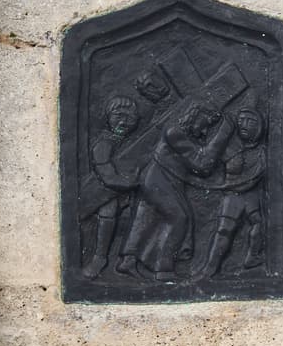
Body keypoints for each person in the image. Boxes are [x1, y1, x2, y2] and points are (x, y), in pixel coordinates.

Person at [118, 100, 233, 281]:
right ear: (197, 114)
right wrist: (224, 133)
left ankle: (128, 261)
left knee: (145, 217)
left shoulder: (187, 135)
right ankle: (164, 270)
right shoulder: (175, 133)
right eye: (207, 123)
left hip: (168, 182)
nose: (205, 130)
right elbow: (202, 164)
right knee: (179, 218)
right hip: (159, 181)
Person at [82, 93, 141, 276]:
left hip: (133, 193)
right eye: (118, 116)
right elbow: (108, 177)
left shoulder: (136, 142)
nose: (124, 122)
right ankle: (100, 257)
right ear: (108, 118)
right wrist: (130, 182)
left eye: (129, 117)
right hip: (111, 193)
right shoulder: (104, 144)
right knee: (107, 209)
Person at [206, 107, 268, 275]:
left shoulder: (260, 152)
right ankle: (211, 268)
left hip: (249, 194)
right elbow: (208, 164)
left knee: (259, 223)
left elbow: (256, 175)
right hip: (233, 197)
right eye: (241, 121)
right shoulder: (230, 149)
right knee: (224, 230)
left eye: (250, 121)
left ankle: (252, 257)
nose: (244, 125)